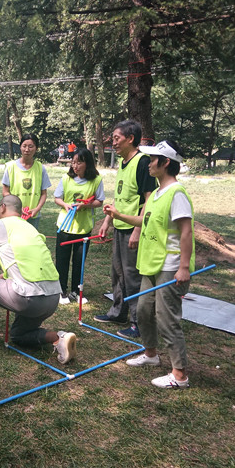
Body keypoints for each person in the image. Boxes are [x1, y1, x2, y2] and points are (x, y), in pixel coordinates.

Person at [103, 140, 194, 389]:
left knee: (166, 318)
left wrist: (184, 267)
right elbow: (144, 220)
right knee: (144, 311)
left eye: (153, 160)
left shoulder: (177, 193)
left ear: (165, 163)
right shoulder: (155, 193)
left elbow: (186, 232)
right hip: (151, 264)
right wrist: (117, 215)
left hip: (170, 265)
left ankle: (179, 375)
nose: (149, 163)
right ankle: (151, 354)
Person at [0, 194, 77, 364]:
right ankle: (58, 338)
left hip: (28, 299)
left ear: (2, 207)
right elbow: (15, 271)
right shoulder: (29, 229)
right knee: (18, 336)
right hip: (52, 299)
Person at [95, 120, 157, 338]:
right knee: (117, 273)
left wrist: (138, 230)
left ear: (131, 139)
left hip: (133, 228)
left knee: (132, 276)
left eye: (116, 138)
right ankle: (117, 312)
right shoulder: (123, 163)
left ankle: (138, 322)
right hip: (119, 226)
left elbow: (148, 200)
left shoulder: (143, 163)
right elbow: (120, 198)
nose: (113, 142)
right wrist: (106, 222)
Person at [54, 148, 105, 305]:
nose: (75, 166)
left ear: (87, 163)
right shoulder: (66, 178)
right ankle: (61, 291)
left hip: (83, 228)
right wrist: (66, 205)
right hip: (65, 226)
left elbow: (99, 201)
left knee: (79, 261)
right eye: (73, 162)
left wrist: (86, 206)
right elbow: (57, 198)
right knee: (62, 260)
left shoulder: (96, 180)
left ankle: (76, 292)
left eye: (79, 162)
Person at [1, 133, 51, 229]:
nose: (27, 149)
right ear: (20, 147)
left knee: (30, 241)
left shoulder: (40, 168)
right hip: (14, 213)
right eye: (24, 146)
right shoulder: (11, 167)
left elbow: (43, 193)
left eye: (31, 146)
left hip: (33, 215)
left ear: (36, 148)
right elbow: (5, 192)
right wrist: (18, 207)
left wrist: (37, 209)